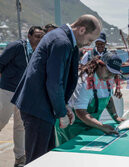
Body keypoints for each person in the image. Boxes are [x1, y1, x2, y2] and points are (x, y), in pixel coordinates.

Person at [11, 14, 101, 164]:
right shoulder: (61, 42)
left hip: (40, 106)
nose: (88, 45)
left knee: (46, 157)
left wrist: (63, 106)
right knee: (37, 161)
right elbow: (54, 82)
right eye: (89, 40)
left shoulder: (61, 38)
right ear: (82, 30)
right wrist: (61, 112)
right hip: (38, 108)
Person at [56, 52, 124, 145]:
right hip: (72, 125)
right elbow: (81, 112)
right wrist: (102, 126)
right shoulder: (85, 81)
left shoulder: (108, 79)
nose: (110, 76)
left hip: (91, 124)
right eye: (108, 71)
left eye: (113, 74)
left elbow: (107, 98)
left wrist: (116, 117)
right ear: (100, 65)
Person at [0, 26, 44, 167]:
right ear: (29, 36)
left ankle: (20, 159)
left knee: (20, 126)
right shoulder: (17, 47)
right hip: (7, 91)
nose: (40, 39)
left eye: (42, 36)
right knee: (1, 121)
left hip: (23, 94)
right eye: (37, 36)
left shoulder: (39, 51)